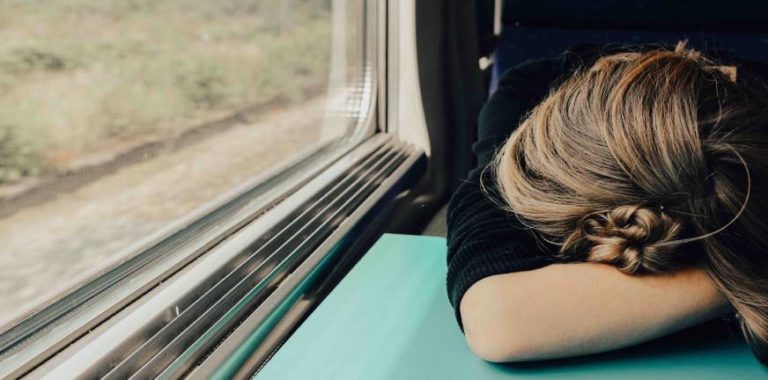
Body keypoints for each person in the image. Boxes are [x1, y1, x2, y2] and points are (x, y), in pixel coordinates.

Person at [446, 42, 768, 364]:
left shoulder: (736, 156)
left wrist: (735, 267)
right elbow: (499, 319)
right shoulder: (523, 104)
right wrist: (740, 270)